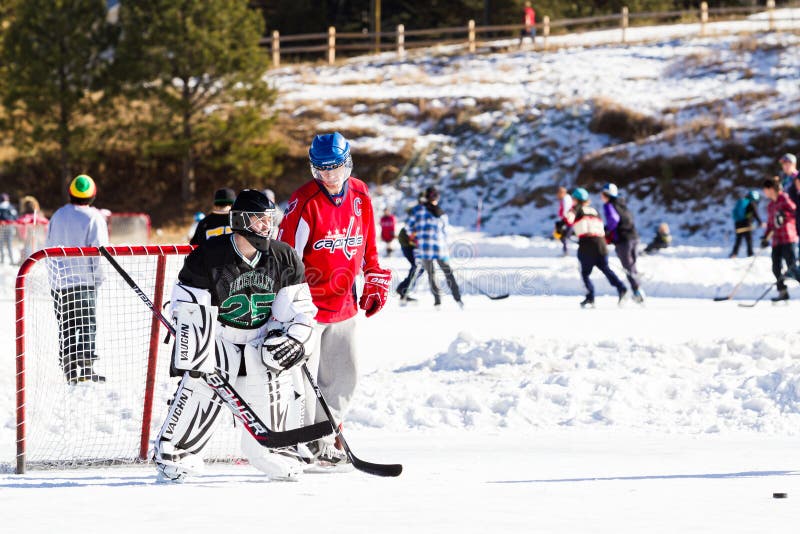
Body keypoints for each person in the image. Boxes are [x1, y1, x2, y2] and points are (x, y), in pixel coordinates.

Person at [154, 189, 317, 482]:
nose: (267, 226)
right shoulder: (209, 255)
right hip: (220, 340)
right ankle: (177, 451)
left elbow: (301, 309)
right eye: (260, 220)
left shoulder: (283, 256)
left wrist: (295, 339)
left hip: (259, 342)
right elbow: (187, 306)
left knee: (274, 373)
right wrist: (196, 345)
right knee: (200, 384)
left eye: (269, 220)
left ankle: (274, 451)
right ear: (242, 220)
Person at [278, 132, 391, 468]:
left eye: (334, 168)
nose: (328, 175)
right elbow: (287, 257)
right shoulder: (304, 202)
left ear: (347, 163)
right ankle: (304, 441)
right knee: (305, 383)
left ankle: (322, 437)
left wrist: (374, 274)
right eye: (320, 169)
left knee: (346, 375)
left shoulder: (359, 193)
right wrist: (289, 304)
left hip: (344, 304)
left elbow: (367, 241)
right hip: (309, 309)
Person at [45, 175, 109, 384]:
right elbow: (100, 252)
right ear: (93, 195)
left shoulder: (58, 215)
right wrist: (99, 278)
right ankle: (87, 367)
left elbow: (48, 247)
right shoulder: (94, 217)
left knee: (66, 325)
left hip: (60, 283)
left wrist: (54, 279)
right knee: (87, 324)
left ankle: (69, 369)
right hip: (84, 282)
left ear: (70, 192)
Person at [566, 187, 627, 308]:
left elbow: (568, 221)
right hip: (601, 243)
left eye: (573, 199)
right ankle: (621, 287)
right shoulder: (594, 210)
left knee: (585, 273)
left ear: (577, 200)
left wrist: (562, 228)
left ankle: (590, 296)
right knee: (605, 268)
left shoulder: (576, 209)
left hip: (587, 244)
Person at [405, 186, 463, 309]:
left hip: (425, 249)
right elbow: (446, 232)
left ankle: (438, 301)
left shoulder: (417, 210)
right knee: (448, 273)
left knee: (432, 275)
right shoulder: (441, 213)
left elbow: (408, 227)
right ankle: (458, 299)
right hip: (440, 249)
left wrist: (415, 238)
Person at [601, 183, 644, 304]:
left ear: (606, 195)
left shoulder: (609, 205)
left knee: (628, 267)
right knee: (632, 266)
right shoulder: (622, 203)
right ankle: (637, 289)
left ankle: (637, 292)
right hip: (634, 237)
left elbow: (614, 219)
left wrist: (607, 230)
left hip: (623, 240)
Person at [760, 176, 799, 302]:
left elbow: (794, 211)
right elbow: (771, 224)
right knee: (775, 268)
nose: (764, 192)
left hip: (788, 238)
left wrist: (784, 215)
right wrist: (765, 237)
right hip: (776, 240)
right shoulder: (771, 205)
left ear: (771, 189)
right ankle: (782, 292)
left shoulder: (784, 198)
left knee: (792, 267)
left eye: (765, 189)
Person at [730, 190, 763, 258]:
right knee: (749, 240)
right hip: (747, 224)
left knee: (738, 240)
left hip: (738, 223)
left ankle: (734, 254)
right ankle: (750, 254)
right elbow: (755, 213)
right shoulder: (751, 203)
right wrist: (760, 222)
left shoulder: (743, 201)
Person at [16, 196, 49, 262]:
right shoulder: (41, 218)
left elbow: (22, 236)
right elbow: (46, 232)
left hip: (31, 246)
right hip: (39, 248)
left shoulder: (24, 220)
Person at [0, 193, 18, 264]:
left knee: (1, 243)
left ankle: (3, 259)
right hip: (9, 227)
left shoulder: (9, 207)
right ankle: (10, 259)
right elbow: (15, 217)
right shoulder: (11, 207)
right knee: (8, 243)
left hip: (2, 227)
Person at [555, 186, 574, 256]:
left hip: (567, 221)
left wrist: (564, 217)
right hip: (565, 220)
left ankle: (566, 251)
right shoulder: (564, 198)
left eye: (558, 193)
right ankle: (565, 250)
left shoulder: (566, 199)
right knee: (561, 236)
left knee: (563, 237)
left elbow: (566, 210)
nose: (557, 195)